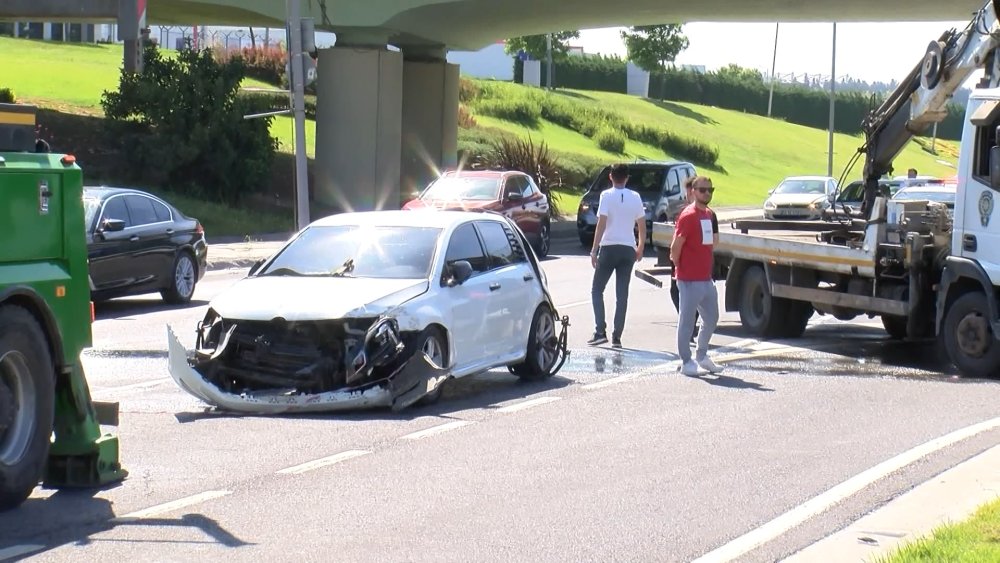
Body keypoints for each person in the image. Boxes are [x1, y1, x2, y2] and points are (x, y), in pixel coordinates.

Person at [589, 163, 646, 348]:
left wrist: (594, 249)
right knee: (622, 295)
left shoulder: (606, 195)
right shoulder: (635, 197)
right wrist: (640, 246)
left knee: (597, 289)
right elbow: (642, 225)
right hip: (628, 247)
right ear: (627, 178)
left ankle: (600, 330)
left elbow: (602, 223)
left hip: (609, 246)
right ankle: (617, 337)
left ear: (611, 177)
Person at [670, 175, 722, 376]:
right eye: (702, 190)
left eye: (710, 190)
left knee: (712, 318)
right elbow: (676, 247)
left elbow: (711, 243)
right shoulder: (688, 215)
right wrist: (679, 268)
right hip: (689, 278)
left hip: (705, 277)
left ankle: (701, 355)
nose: (707, 193)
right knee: (687, 321)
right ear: (693, 191)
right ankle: (686, 361)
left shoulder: (708, 214)